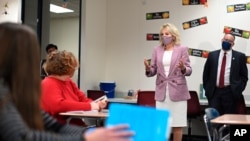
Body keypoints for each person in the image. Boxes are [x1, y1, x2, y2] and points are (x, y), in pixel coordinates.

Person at [0, 22, 134, 141]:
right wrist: (85, 137)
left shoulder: (18, 92)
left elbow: (54, 126)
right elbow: (22, 137)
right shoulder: (4, 93)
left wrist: (93, 133)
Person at [144, 23, 192, 141]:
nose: (164, 36)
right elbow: (153, 70)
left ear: (173, 36)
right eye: (162, 34)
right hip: (161, 92)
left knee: (177, 124)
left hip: (178, 91)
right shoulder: (157, 50)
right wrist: (147, 68)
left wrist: (182, 68)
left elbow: (189, 70)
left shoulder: (182, 49)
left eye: (167, 34)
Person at [41, 50, 107, 126]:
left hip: (74, 126)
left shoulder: (68, 81)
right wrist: (91, 106)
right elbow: (58, 105)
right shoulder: (48, 83)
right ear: (68, 68)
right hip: (58, 129)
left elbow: (83, 99)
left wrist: (96, 104)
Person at [203, 33, 248, 115]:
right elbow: (206, 74)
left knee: (229, 120)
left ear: (233, 44)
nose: (226, 42)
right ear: (222, 40)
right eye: (225, 40)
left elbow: (244, 76)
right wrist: (208, 89)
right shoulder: (212, 55)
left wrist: (238, 89)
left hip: (230, 93)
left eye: (229, 41)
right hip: (214, 93)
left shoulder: (240, 56)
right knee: (214, 120)